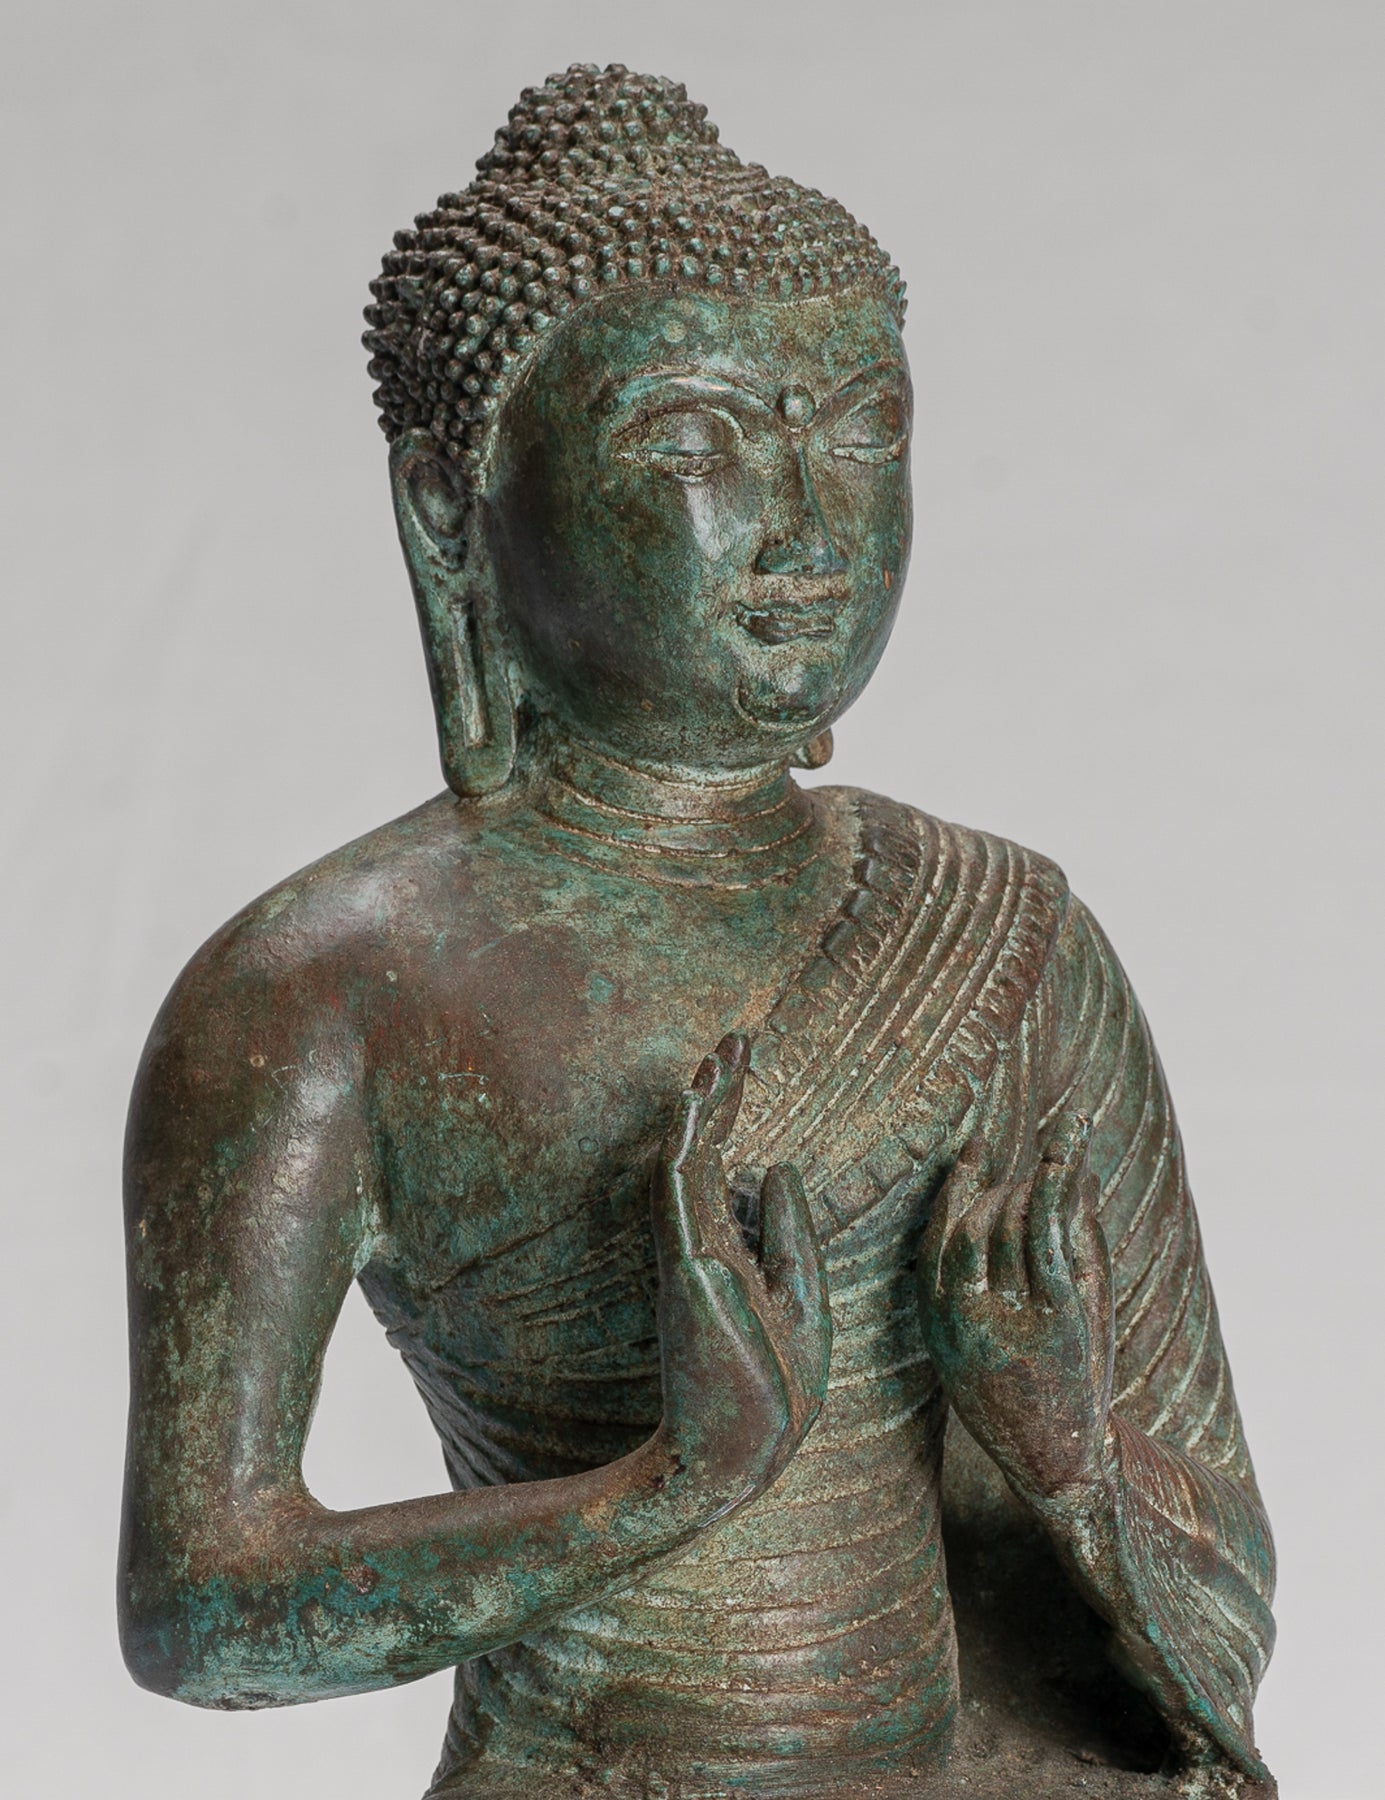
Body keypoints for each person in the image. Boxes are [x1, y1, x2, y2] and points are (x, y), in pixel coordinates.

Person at [120, 64, 1276, 1799]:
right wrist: (664, 1488)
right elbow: (202, 1614)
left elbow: (1223, 1590)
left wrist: (1070, 1463)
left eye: (861, 432)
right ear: (448, 506)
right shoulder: (317, 991)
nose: (805, 525)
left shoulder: (1002, 935)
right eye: (687, 445)